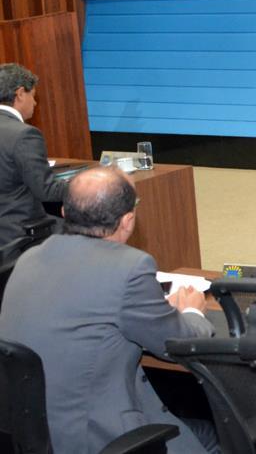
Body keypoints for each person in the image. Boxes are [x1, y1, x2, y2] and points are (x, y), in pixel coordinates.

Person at [0, 167, 217, 453]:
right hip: (97, 437)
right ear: (128, 221)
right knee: (216, 437)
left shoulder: (30, 258)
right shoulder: (130, 268)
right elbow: (179, 344)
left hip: (34, 433)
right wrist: (192, 312)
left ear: (65, 212)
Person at [0, 63, 67, 244]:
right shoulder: (24, 134)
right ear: (20, 93)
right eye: (33, 96)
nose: (35, 103)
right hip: (20, 233)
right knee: (90, 232)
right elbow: (47, 190)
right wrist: (87, 185)